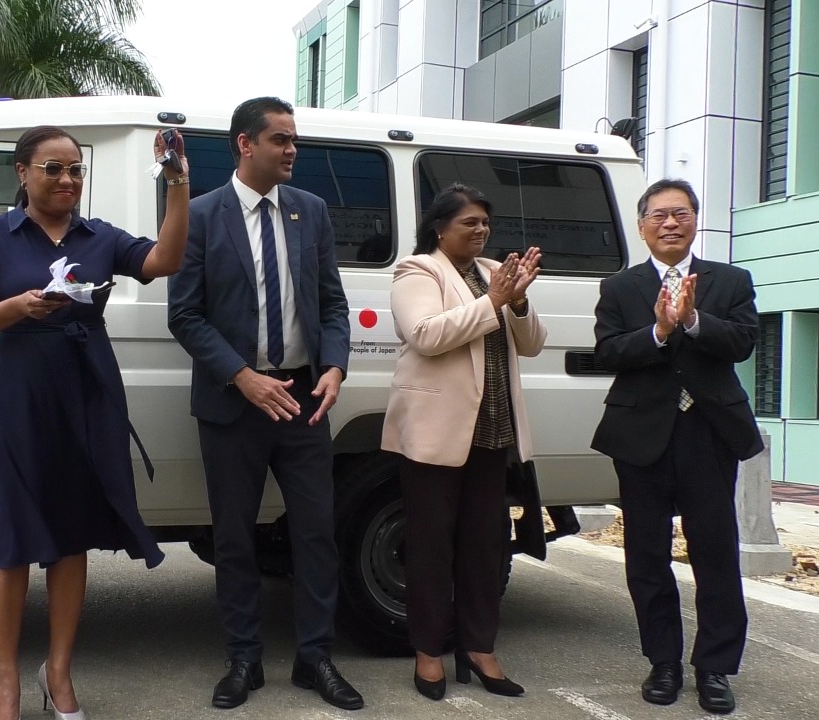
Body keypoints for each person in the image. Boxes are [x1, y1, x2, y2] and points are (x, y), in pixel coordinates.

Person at [0, 125, 189, 720]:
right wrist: (17, 307)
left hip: (87, 387)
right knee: (14, 536)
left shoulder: (99, 236)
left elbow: (164, 260)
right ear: (22, 172)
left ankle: (58, 671)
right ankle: (7, 678)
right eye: (53, 168)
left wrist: (177, 183)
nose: (67, 179)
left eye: (76, 169)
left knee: (72, 530)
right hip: (21, 391)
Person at [166, 97, 360, 712]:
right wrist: (242, 377)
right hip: (235, 404)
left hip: (303, 400)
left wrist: (334, 366)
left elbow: (332, 303)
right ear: (245, 144)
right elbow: (185, 315)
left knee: (316, 533)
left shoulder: (311, 211)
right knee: (234, 537)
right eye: (281, 139)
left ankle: (315, 657)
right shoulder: (201, 216)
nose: (292, 149)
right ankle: (243, 658)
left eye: (294, 139)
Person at [591, 178, 761, 715]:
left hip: (709, 433)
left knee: (715, 553)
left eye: (681, 214)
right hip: (641, 436)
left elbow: (743, 342)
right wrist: (660, 331)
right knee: (646, 555)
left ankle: (714, 667)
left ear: (695, 220)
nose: (670, 223)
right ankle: (663, 661)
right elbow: (608, 352)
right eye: (659, 215)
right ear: (642, 226)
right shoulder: (620, 287)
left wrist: (691, 319)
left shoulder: (730, 280)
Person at [381, 183, 545, 702]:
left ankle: (479, 648)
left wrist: (517, 301)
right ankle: (429, 651)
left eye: (485, 223)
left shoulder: (497, 272)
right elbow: (425, 334)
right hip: (436, 434)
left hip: (492, 432)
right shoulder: (417, 270)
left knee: (485, 546)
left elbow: (532, 344)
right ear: (439, 228)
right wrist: (493, 302)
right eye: (469, 222)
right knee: (430, 546)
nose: (481, 230)